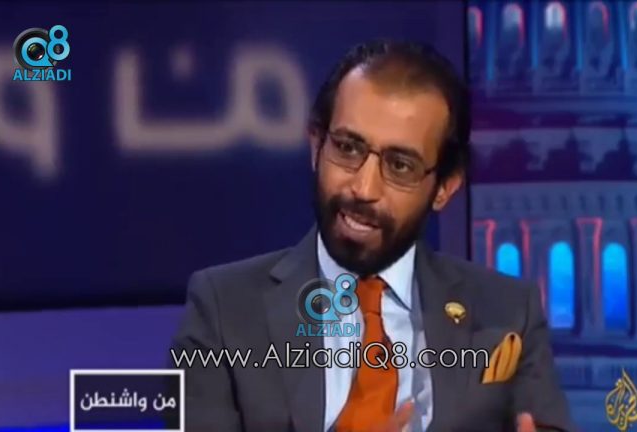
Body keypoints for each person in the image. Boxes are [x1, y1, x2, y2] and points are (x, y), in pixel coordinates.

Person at [170, 40, 575, 432]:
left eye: (400, 166)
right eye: (348, 148)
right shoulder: (223, 309)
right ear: (316, 145)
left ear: (445, 187)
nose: (363, 188)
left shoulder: (509, 312)